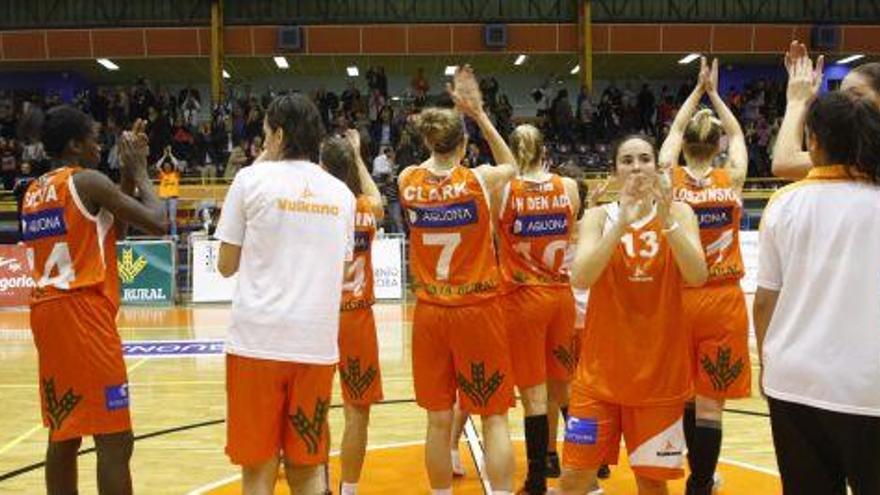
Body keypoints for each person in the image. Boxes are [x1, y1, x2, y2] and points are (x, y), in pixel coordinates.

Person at [20, 107, 166, 495]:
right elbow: (158, 220)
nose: (100, 146)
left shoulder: (34, 190)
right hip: (83, 314)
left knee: (64, 433)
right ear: (74, 145)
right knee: (116, 438)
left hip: (47, 313)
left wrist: (122, 179)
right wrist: (139, 172)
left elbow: (109, 227)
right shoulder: (87, 181)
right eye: (94, 139)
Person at [215, 94, 356, 495]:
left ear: (277, 134)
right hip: (314, 345)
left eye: (264, 135)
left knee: (258, 471)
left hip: (256, 345)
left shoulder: (250, 181)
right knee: (308, 469)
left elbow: (225, 264)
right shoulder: (341, 195)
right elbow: (342, 269)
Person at [560, 134, 708, 495]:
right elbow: (581, 277)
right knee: (575, 477)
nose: (636, 166)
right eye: (627, 160)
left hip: (659, 379)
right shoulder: (597, 217)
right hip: (598, 378)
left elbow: (698, 275)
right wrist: (620, 226)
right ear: (615, 169)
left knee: (652, 483)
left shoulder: (680, 213)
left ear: (656, 167)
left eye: (644, 158)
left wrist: (667, 222)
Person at [399, 65, 518, 495]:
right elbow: (512, 163)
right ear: (464, 145)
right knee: (495, 416)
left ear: (428, 141)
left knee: (437, 419)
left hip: (431, 313)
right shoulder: (480, 180)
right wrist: (479, 114)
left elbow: (429, 165)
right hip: (478, 310)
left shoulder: (406, 180)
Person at [754, 90, 880, 495]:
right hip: (867, 387)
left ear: (813, 141)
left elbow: (764, 300)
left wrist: (767, 364)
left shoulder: (784, 203)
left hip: (793, 380)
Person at [659, 57, 752, 495]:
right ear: (715, 145)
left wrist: (696, 92)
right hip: (722, 298)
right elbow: (737, 133)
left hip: (678, 297)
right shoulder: (731, 179)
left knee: (684, 394)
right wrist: (715, 93)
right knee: (712, 403)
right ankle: (701, 482)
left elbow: (674, 133)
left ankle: (692, 469)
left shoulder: (670, 180)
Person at [495, 124, 580, 494]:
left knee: (533, 396)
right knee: (567, 389)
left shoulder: (505, 190)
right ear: (545, 149)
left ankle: (535, 480)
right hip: (562, 296)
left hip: (523, 297)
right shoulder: (569, 188)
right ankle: (584, 461)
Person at [323, 130, 385, 495]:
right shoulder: (365, 208)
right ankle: (349, 489)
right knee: (357, 410)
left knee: (314, 406)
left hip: (319, 315)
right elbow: (377, 198)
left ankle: (319, 483)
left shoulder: (316, 209)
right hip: (357, 316)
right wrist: (359, 155)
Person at [773, 40, 880, 179]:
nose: (846, 103)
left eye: (855, 94)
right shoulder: (857, 149)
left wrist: (797, 102)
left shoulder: (868, 154)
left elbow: (785, 164)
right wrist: (808, 103)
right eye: (842, 96)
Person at [156, 147, 181, 237]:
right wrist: (164, 156)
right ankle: (164, 234)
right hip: (163, 198)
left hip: (173, 198)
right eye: (165, 166)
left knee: (172, 219)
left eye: (168, 166)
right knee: (164, 219)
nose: (167, 167)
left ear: (171, 167)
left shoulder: (175, 174)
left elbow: (177, 164)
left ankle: (174, 234)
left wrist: (170, 155)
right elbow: (157, 166)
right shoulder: (162, 175)